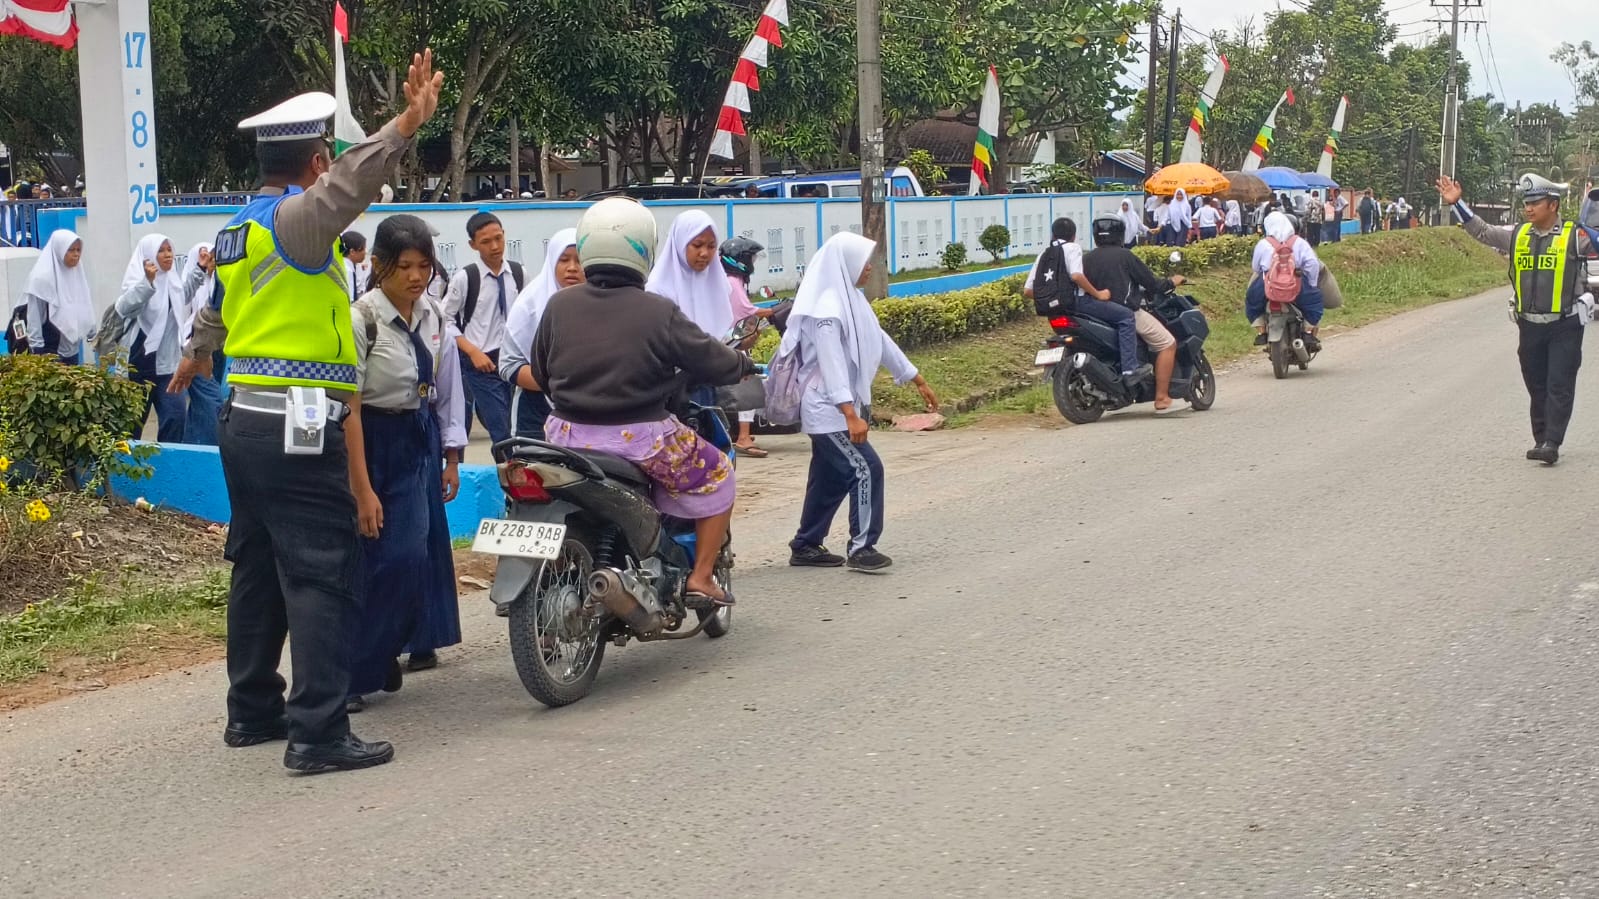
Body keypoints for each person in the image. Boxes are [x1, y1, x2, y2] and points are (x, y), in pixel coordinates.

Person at [169, 51, 444, 773]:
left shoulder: (238, 228)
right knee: (323, 570)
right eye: (327, 160)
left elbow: (216, 310)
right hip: (295, 424)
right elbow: (353, 183)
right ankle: (319, 730)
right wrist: (405, 125)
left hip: (242, 421)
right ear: (316, 161)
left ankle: (252, 709)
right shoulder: (297, 221)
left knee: (258, 566)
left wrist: (195, 355)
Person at [530, 198, 756, 605]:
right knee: (719, 472)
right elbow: (710, 356)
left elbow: (541, 371)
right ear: (645, 249)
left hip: (564, 435)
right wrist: (741, 362)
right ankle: (701, 577)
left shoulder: (559, 304)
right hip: (641, 438)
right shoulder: (658, 311)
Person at [344, 214, 467, 704]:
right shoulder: (361, 320)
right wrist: (361, 488)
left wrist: (451, 455)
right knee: (371, 558)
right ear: (379, 266)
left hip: (416, 438)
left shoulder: (433, 316)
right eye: (404, 267)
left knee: (411, 556)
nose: (416, 277)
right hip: (370, 439)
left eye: (424, 266)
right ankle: (354, 672)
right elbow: (349, 408)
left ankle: (378, 655)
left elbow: (446, 392)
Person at [777, 233, 939, 572]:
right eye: (864, 262)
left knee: (830, 477)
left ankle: (806, 544)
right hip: (828, 409)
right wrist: (849, 413)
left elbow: (878, 338)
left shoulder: (852, 301)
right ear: (845, 263)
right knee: (866, 468)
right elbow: (831, 363)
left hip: (838, 408)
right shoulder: (827, 309)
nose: (869, 268)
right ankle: (862, 547)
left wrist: (915, 377)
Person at [1439, 173, 1596, 465]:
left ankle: (1552, 442)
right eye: (1526, 203)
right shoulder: (1518, 234)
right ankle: (1541, 438)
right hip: (1530, 325)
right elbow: (1482, 232)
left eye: (1535, 203)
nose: (1528, 208)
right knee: (1536, 384)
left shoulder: (1576, 236)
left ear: (1553, 205)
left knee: (1559, 384)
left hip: (1565, 324)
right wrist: (1457, 203)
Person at [1082, 216, 1188, 413]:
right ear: (1120, 235)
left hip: (1094, 314)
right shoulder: (1126, 256)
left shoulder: (1086, 259)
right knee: (1167, 343)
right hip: (1126, 311)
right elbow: (1152, 284)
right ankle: (1161, 397)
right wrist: (1172, 281)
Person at [115, 234, 206, 443]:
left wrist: (200, 268)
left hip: (167, 366)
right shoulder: (137, 282)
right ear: (148, 256)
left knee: (176, 417)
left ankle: (166, 460)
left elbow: (184, 294)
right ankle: (128, 462)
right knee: (131, 426)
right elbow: (124, 308)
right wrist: (147, 283)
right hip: (137, 368)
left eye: (169, 250)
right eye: (161, 251)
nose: (167, 255)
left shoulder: (172, 283)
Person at [444, 212, 523, 445]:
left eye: (498, 238)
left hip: (514, 359)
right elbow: (445, 320)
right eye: (486, 242)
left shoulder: (518, 274)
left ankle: (517, 466)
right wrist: (472, 351)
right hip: (481, 362)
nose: (495, 247)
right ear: (473, 245)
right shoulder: (465, 278)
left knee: (519, 425)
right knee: (501, 429)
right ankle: (507, 465)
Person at [500, 228, 582, 440]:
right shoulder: (529, 306)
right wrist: (561, 386)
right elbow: (509, 366)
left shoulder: (603, 306)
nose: (572, 268)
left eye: (580, 260)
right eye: (564, 260)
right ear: (552, 261)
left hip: (588, 418)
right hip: (535, 417)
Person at [720, 235, 773, 457]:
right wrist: (776, 312)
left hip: (730, 337)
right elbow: (747, 311)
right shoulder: (732, 282)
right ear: (740, 260)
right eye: (751, 258)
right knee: (747, 381)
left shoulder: (733, 281)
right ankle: (743, 437)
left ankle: (740, 433)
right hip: (730, 340)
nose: (753, 263)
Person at [647, 210, 735, 342]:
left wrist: (738, 343)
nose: (704, 253)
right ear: (680, 243)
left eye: (711, 246)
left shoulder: (717, 284)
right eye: (697, 245)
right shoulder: (657, 290)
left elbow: (722, 335)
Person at [1245, 211, 1326, 349]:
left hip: (1268, 284)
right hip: (1296, 283)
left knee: (1252, 301)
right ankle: (1307, 332)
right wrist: (1311, 284)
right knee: (1314, 302)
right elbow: (1312, 264)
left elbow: (1256, 268)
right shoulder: (1299, 243)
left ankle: (1261, 332)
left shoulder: (1263, 244)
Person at [18, 230, 94, 363]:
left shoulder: (76, 274)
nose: (76, 254)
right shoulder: (41, 279)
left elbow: (84, 306)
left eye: (78, 250)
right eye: (70, 250)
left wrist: (92, 333)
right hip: (49, 351)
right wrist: (38, 353)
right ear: (59, 250)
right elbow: (34, 319)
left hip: (72, 350)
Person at [178, 242, 223, 446]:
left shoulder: (219, 285)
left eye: (213, 257)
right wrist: (189, 349)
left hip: (218, 349)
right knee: (213, 401)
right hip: (194, 350)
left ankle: (191, 444)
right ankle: (216, 448)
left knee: (200, 404)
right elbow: (181, 319)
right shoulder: (188, 287)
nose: (212, 262)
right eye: (206, 258)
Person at [1024, 218, 1111, 305]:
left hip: (1053, 308)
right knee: (1119, 312)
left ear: (1053, 235)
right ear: (1074, 236)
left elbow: (1027, 291)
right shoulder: (1073, 247)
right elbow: (1076, 276)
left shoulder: (1043, 253)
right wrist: (1098, 294)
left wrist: (1051, 301)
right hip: (1076, 303)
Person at [340, 230, 370, 303]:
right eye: (363, 249)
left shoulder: (347, 266)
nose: (365, 252)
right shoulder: (348, 271)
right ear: (352, 252)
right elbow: (350, 300)